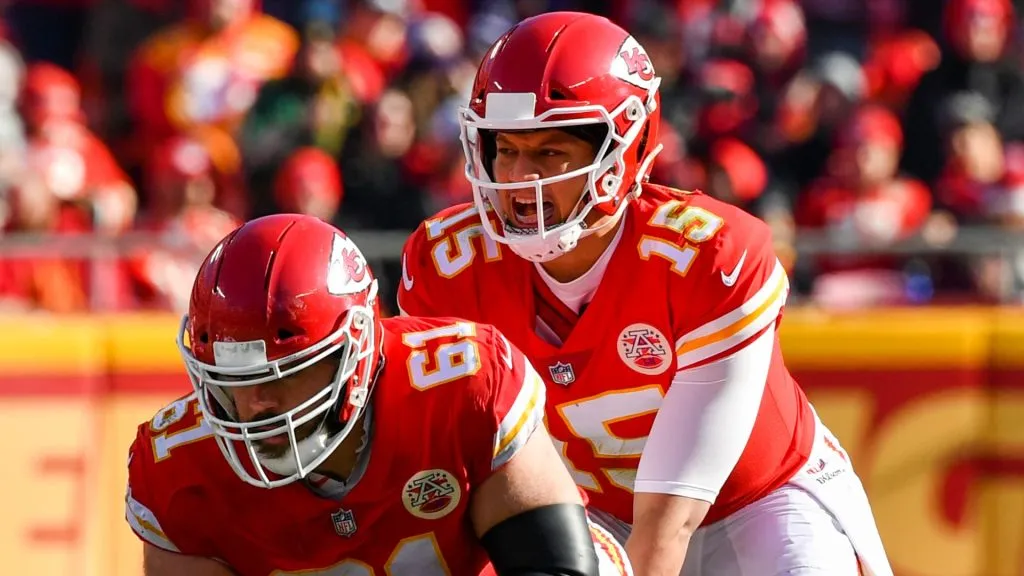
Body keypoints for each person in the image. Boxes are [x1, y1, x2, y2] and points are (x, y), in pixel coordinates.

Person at [397, 11, 893, 576]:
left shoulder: (708, 257)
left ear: (623, 150)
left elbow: (666, 524)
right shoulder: (447, 269)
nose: (518, 178)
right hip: (599, 517)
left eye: (549, 152)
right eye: (505, 149)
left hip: (762, 502)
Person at [124, 213, 632, 576]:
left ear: (356, 350)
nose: (256, 405)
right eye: (234, 382)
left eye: (284, 375)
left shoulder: (461, 386)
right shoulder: (179, 467)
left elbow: (553, 564)